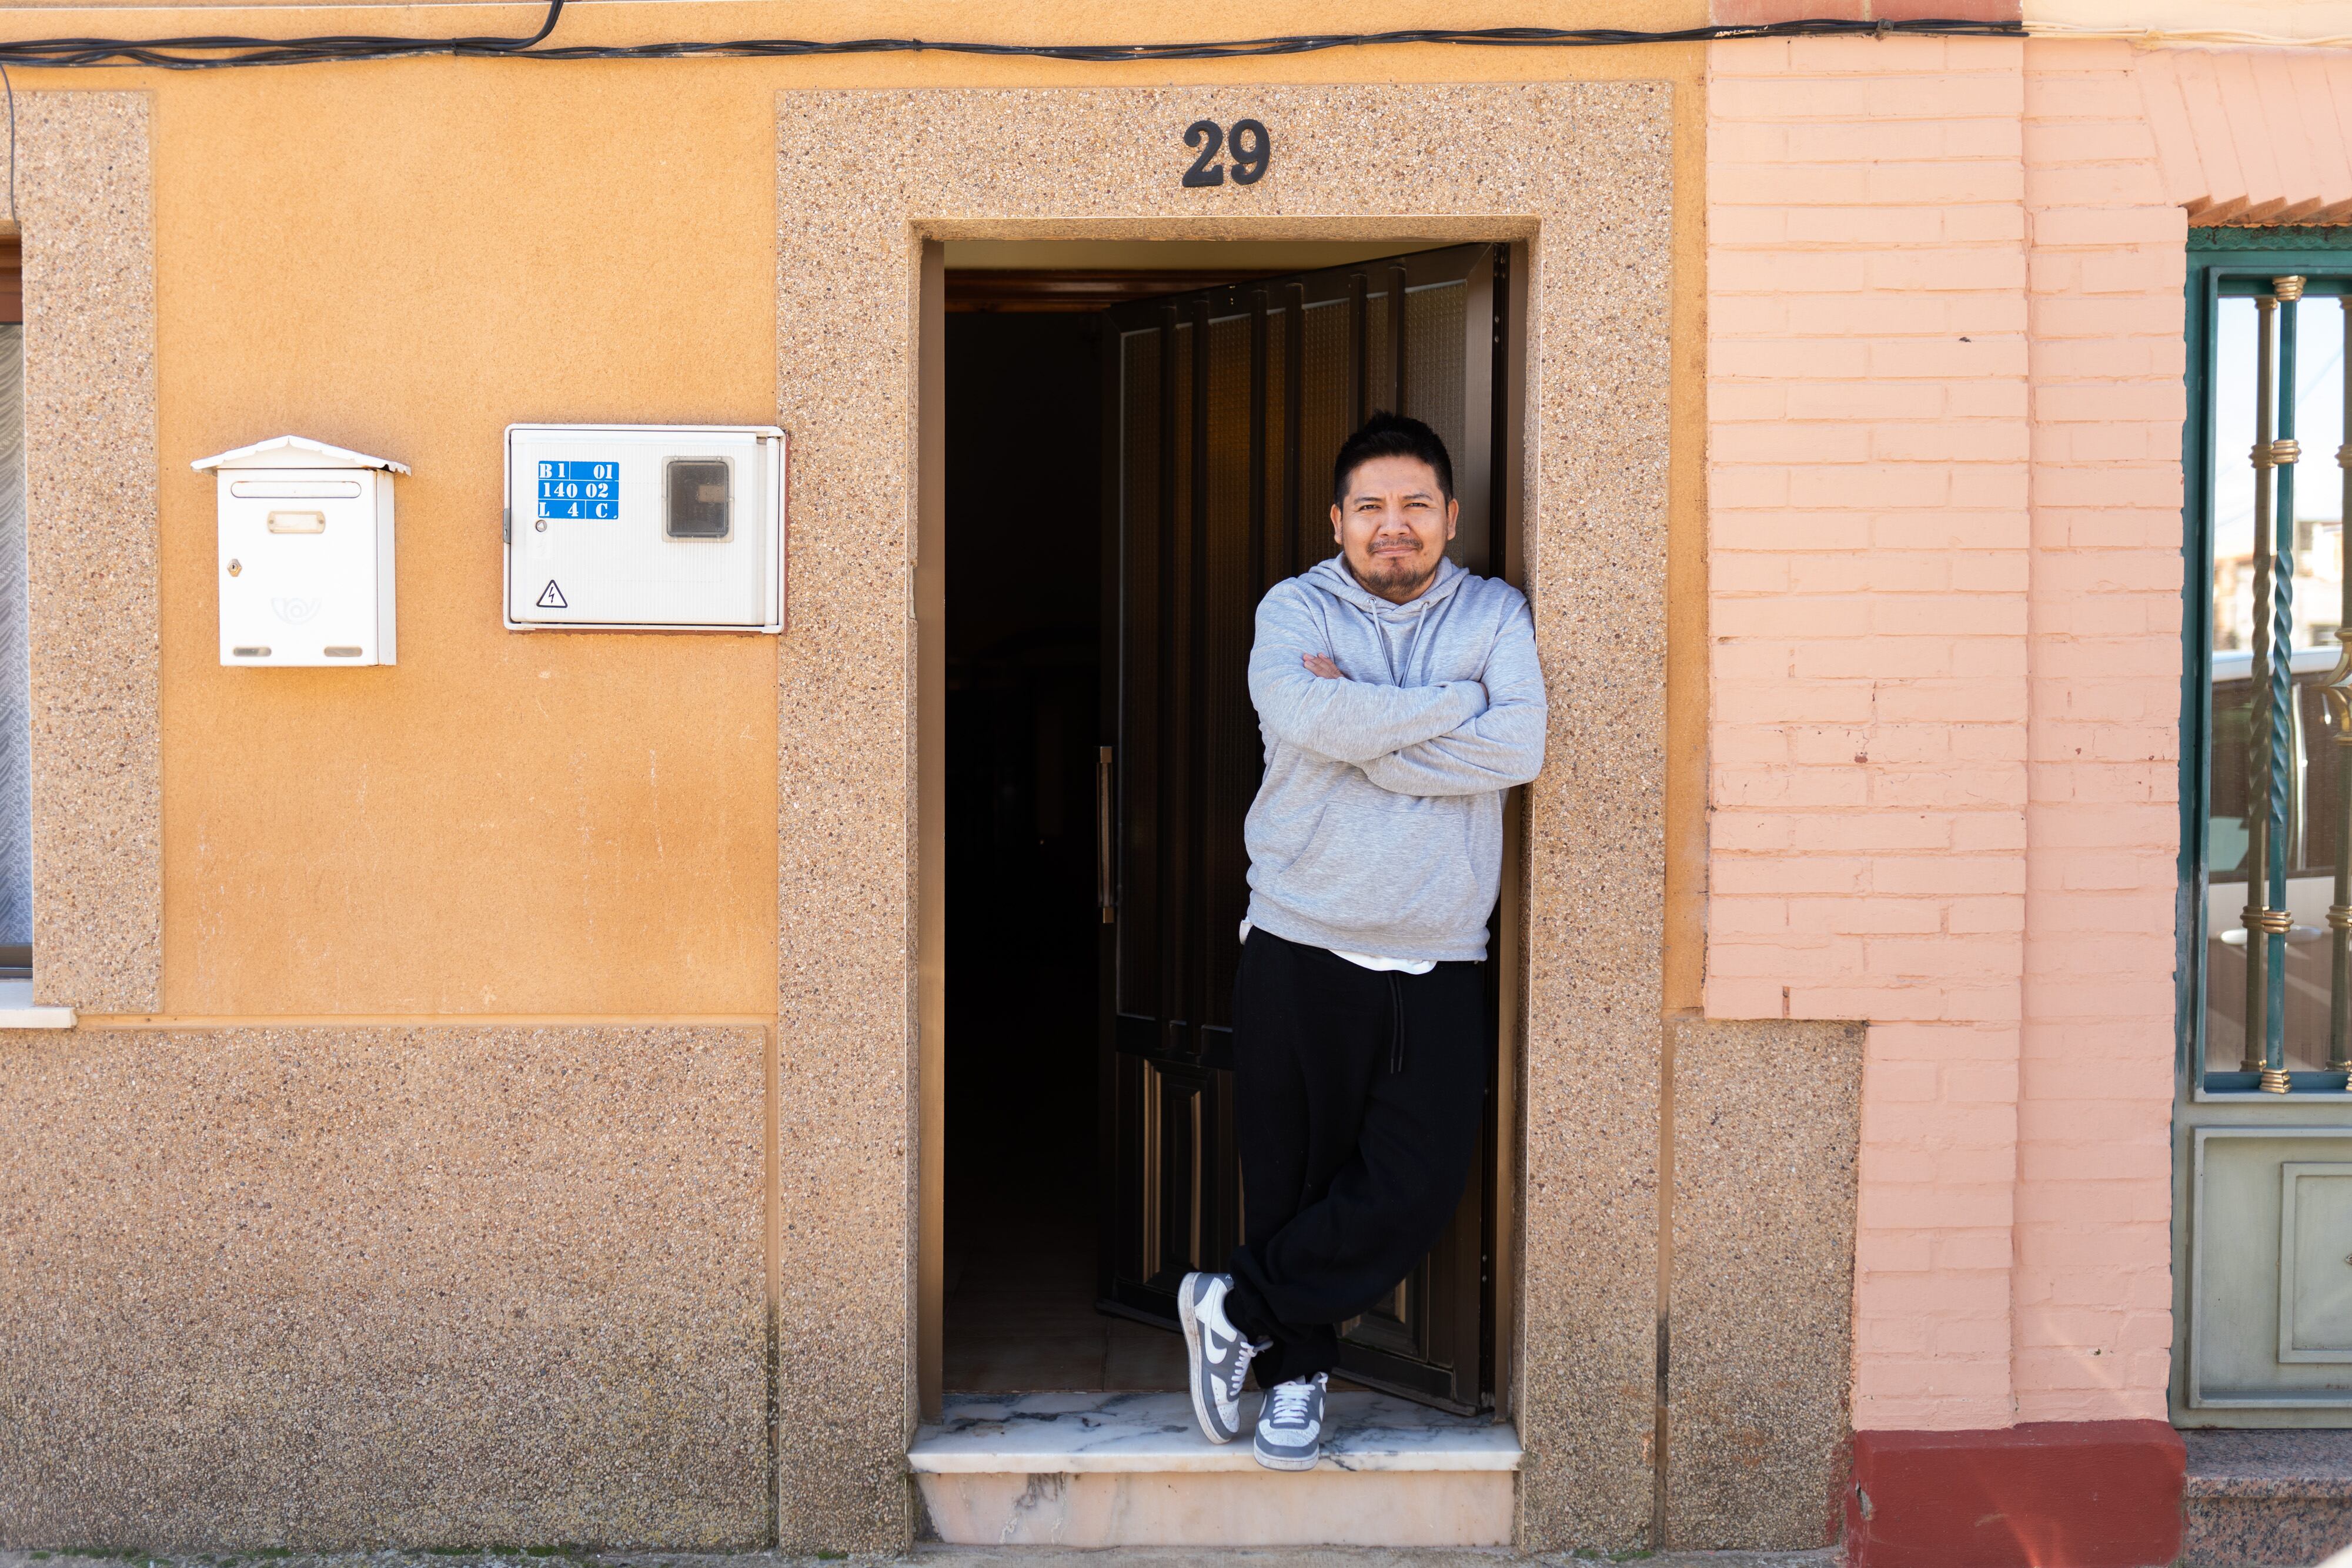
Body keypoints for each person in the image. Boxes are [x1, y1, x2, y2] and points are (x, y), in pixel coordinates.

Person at [1178, 411, 1547, 1472]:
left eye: (1416, 507)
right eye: (1373, 509)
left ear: (1450, 518)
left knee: (1417, 1186)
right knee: (1291, 1178)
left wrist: (1372, 732)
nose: (1396, 528)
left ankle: (1236, 1309)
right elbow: (1308, 721)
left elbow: (1518, 743)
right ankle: (1296, 1382)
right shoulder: (1294, 608)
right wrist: (1451, 709)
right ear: (1338, 521)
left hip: (1440, 952)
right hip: (1302, 937)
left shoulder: (1494, 612)